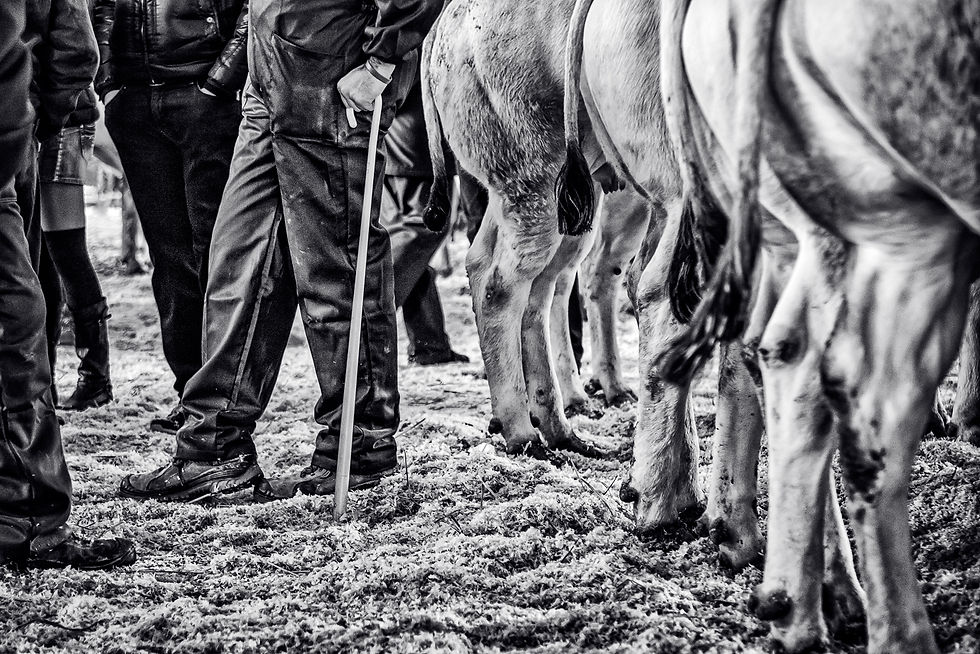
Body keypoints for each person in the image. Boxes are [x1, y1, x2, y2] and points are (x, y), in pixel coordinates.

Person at [120, 0, 442, 503]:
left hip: (334, 76)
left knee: (336, 269)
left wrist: (382, 61)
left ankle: (359, 451)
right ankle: (214, 449)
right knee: (237, 265)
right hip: (269, 81)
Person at [0, 0, 136, 570]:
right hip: (33, 123)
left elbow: (77, 42)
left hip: (42, 124)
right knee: (30, 287)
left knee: (57, 264)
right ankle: (29, 514)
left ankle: (93, 367)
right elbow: (77, 38)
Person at [93, 0, 249, 434]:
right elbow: (102, 7)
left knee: (214, 254)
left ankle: (219, 399)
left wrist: (220, 81)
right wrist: (109, 83)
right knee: (169, 258)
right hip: (135, 101)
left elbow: (253, 10)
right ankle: (190, 390)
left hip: (204, 93)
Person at [382, 73, 468, 366]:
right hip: (418, 139)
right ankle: (368, 318)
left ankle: (430, 343)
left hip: (393, 135)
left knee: (404, 237)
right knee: (424, 228)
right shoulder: (415, 27)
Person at [38, 84, 115, 411]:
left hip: (60, 122)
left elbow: (82, 52)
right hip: (47, 119)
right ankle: (46, 382)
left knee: (63, 250)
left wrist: (55, 110)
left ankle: (93, 378)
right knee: (42, 252)